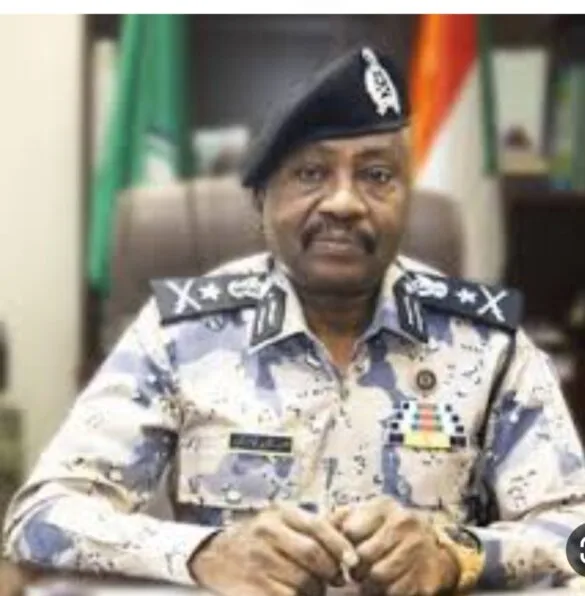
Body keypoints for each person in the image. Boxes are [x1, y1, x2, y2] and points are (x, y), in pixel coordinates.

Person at [3, 46, 585, 595]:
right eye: (310, 173)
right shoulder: (183, 334)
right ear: (262, 202)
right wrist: (204, 552)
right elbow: (40, 518)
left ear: (406, 198)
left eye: (376, 175)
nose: (344, 202)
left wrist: (455, 554)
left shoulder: (488, 344)